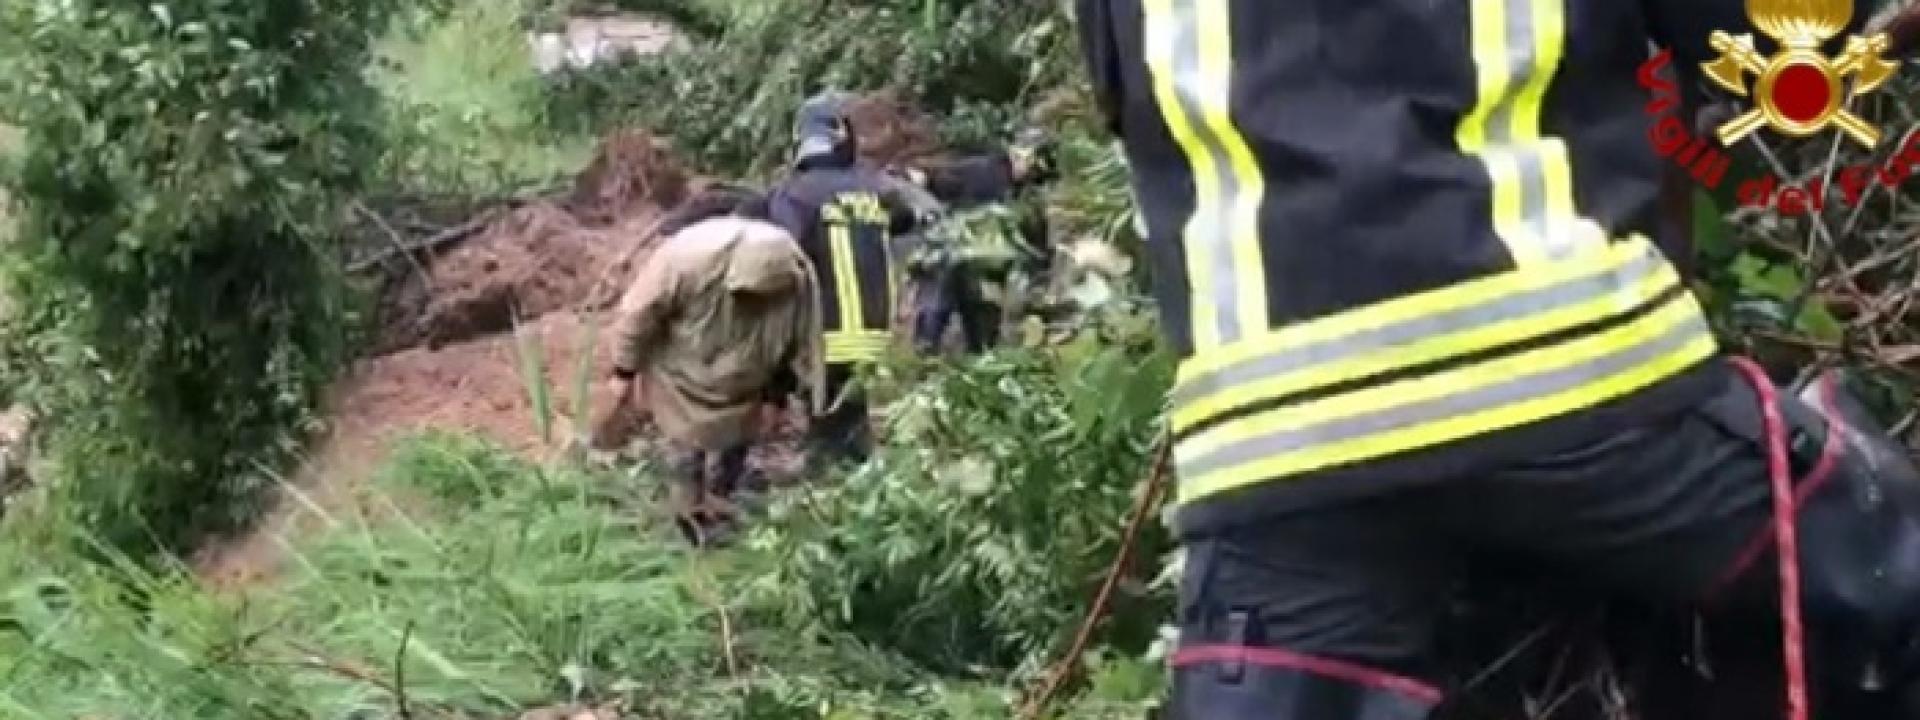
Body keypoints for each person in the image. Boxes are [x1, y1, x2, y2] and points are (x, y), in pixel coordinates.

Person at [1074, 0, 1920, 717]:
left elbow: (1124, 100)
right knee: (1884, 570)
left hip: (1275, 443)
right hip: (1572, 372)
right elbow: (1788, 49)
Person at [605, 191, 822, 547]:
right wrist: (624, 372)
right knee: (683, 443)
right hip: (684, 366)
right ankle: (686, 514)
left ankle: (722, 498)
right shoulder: (685, 260)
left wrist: (776, 394)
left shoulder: (796, 276)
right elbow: (638, 315)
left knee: (740, 437)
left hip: (748, 374)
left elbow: (796, 337)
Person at [765, 92, 924, 466]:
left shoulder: (794, 195)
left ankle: (831, 491)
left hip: (822, 337)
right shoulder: (877, 188)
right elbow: (907, 220)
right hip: (874, 336)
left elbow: (780, 256)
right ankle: (858, 481)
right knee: (854, 418)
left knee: (827, 428)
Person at [903, 128, 1060, 353]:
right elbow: (934, 179)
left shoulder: (1028, 194)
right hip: (953, 258)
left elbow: (1035, 240)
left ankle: (976, 355)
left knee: (982, 333)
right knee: (935, 315)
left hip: (988, 273)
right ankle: (923, 357)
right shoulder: (982, 171)